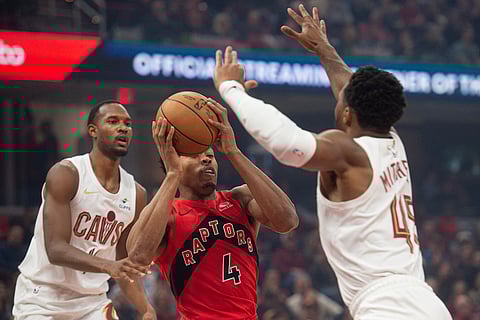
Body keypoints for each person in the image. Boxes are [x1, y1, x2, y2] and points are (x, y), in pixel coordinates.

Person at [211, 4, 453, 320]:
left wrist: (231, 89)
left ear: (348, 113)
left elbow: (287, 144)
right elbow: (349, 86)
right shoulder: (391, 139)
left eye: (341, 100)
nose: (337, 97)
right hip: (425, 302)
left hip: (389, 309)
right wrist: (326, 51)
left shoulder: (347, 150)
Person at [126, 98, 299, 319]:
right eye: (195, 154)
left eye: (210, 154)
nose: (207, 159)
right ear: (173, 161)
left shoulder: (240, 199)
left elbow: (288, 220)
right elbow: (137, 257)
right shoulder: (168, 214)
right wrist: (172, 175)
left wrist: (234, 152)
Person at [12, 101, 156, 319]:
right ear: (93, 131)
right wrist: (110, 266)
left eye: (127, 124)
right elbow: (56, 249)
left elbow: (122, 263)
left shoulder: (136, 194)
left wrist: (146, 308)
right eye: (113, 121)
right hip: (42, 296)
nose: (123, 128)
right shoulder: (67, 174)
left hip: (92, 301)